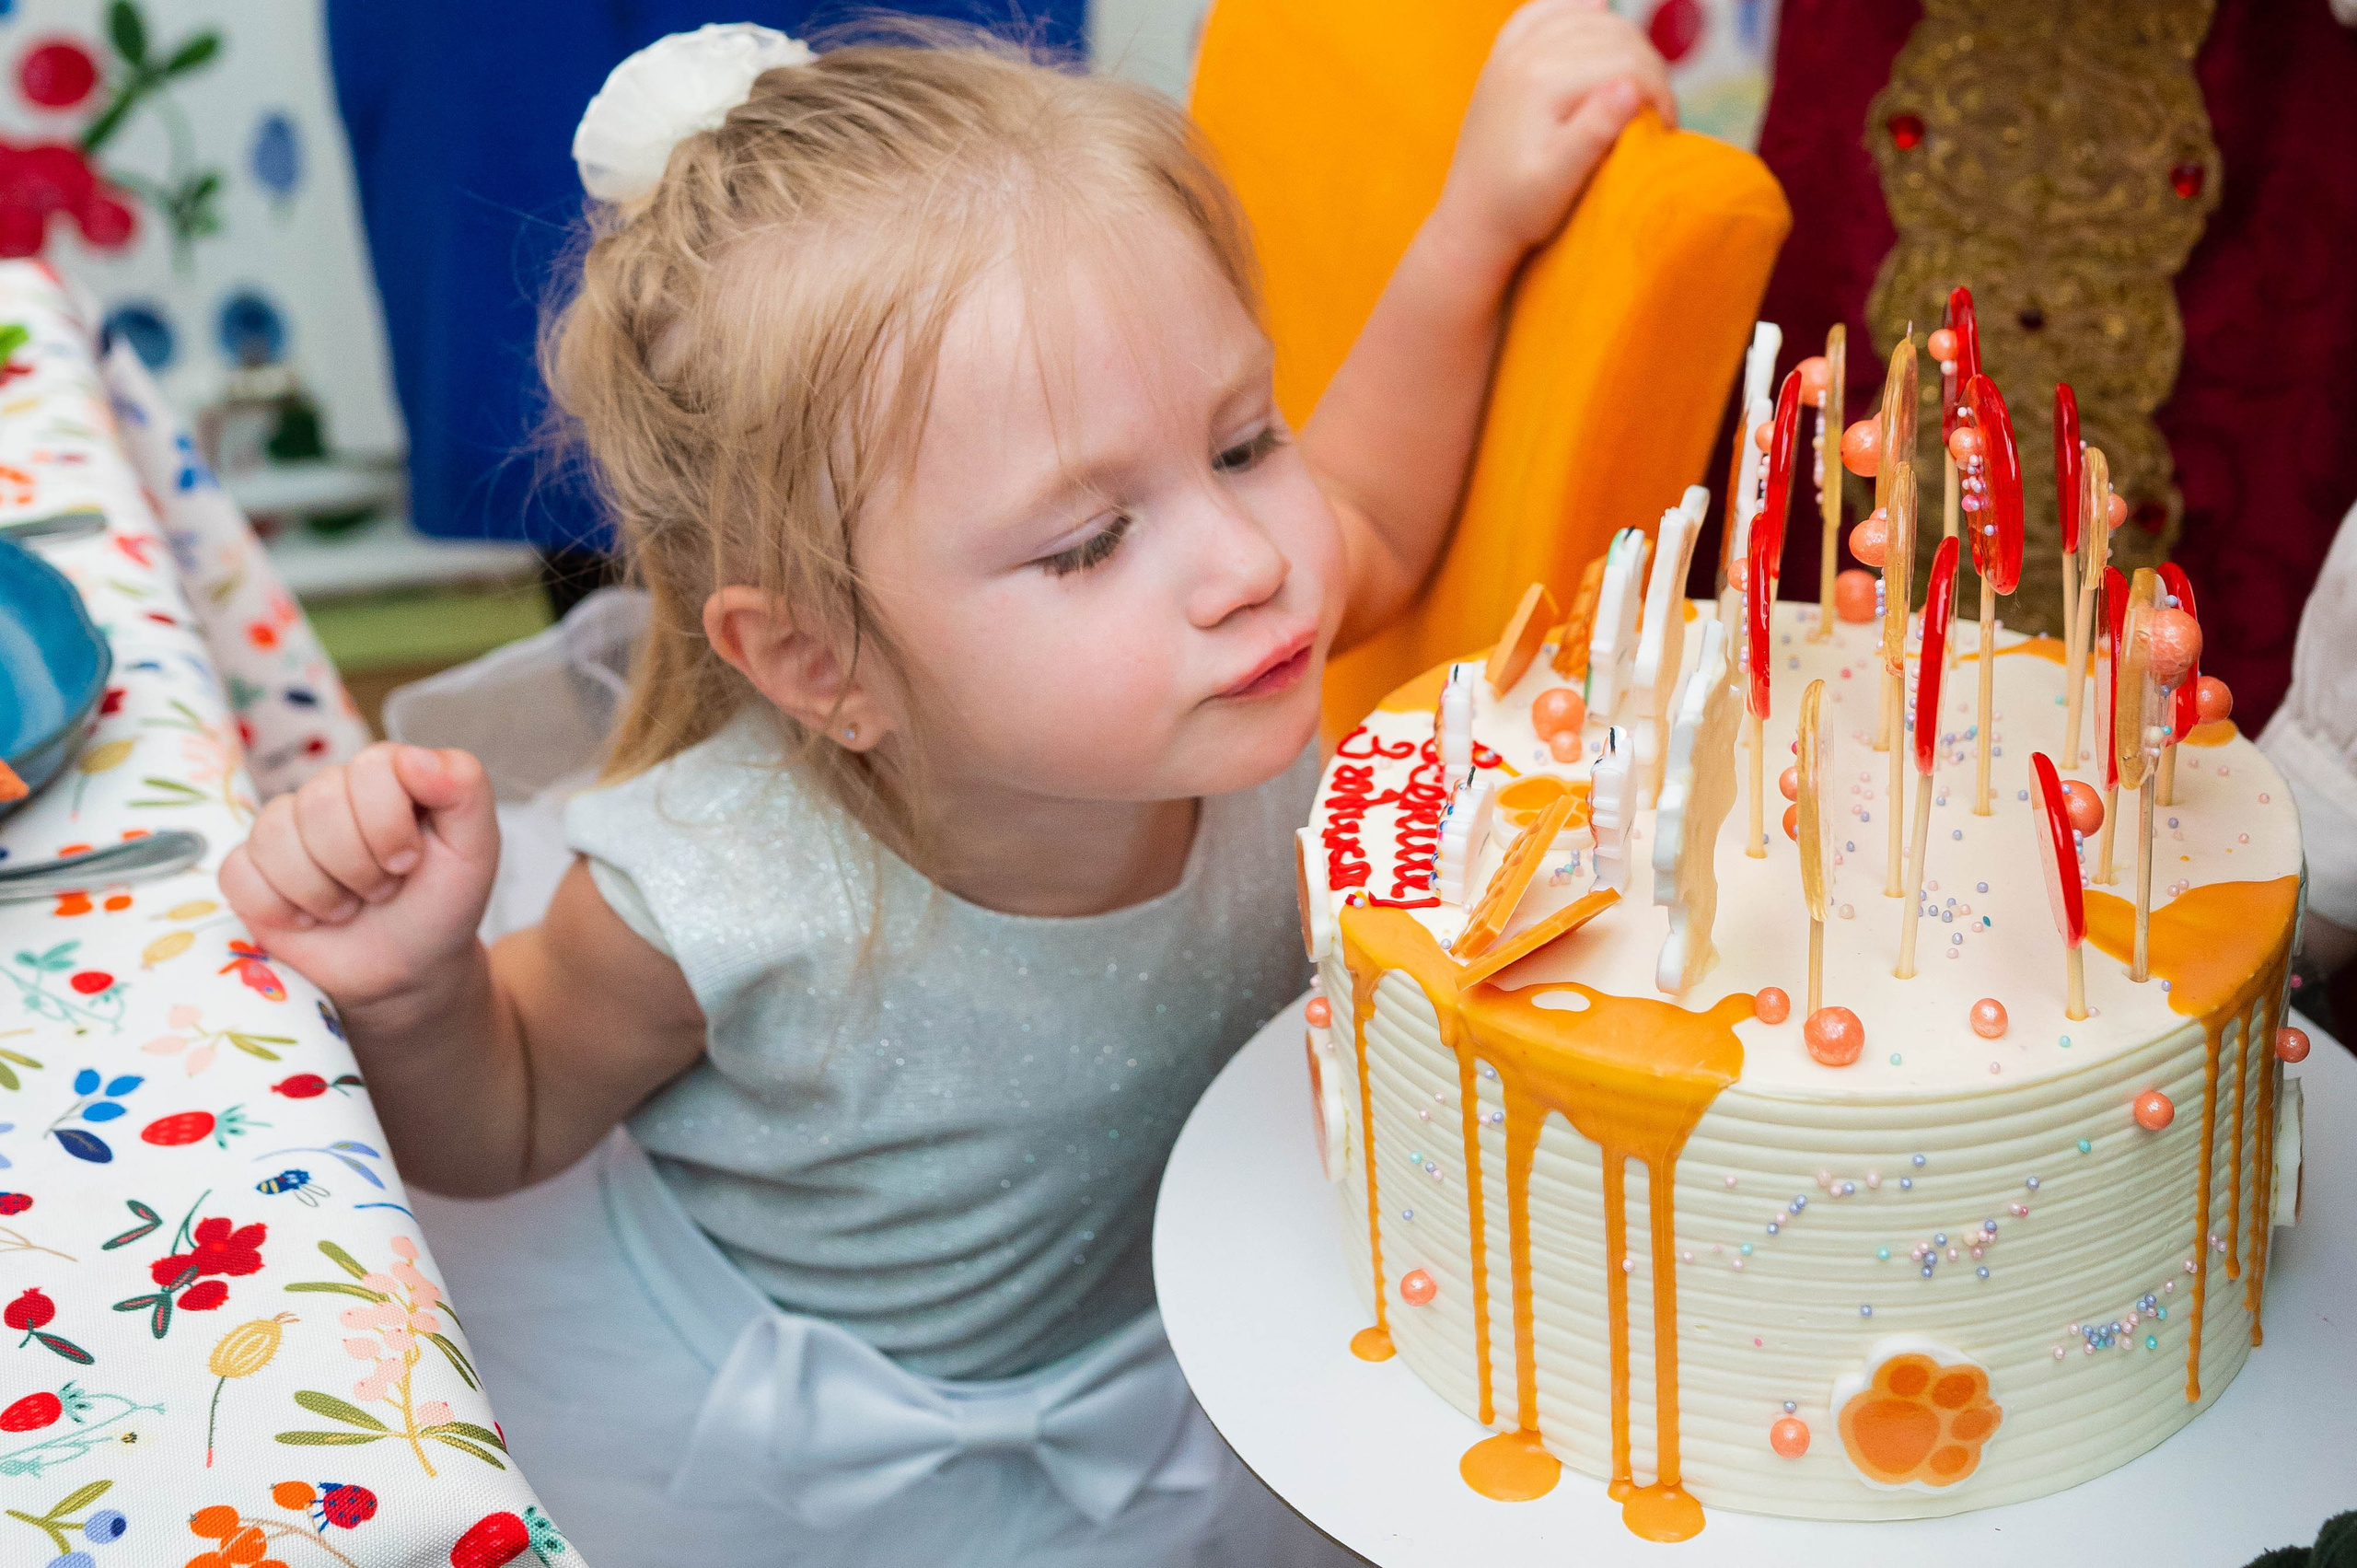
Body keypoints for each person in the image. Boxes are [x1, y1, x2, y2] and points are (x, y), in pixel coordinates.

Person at [222, 11, 1674, 1565]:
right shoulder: (708, 890)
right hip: (814, 1475)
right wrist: (414, 991)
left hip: (1179, 1357)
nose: (1253, 562)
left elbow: (1370, 502)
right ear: (821, 661)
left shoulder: (1246, 663)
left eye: (1246, 443)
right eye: (1089, 544)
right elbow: (505, 1117)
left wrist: (1476, 227)